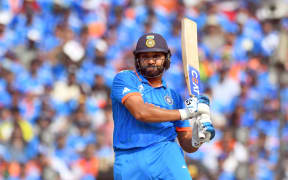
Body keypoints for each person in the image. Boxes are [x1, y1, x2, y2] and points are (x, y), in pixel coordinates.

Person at [111, 33, 215, 180]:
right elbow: (140, 112)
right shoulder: (125, 79)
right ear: (138, 60)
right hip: (130, 158)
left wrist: (197, 138)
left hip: (166, 154)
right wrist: (186, 113)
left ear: (166, 59)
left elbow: (187, 144)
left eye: (156, 56)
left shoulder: (174, 97)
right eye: (145, 57)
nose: (151, 61)